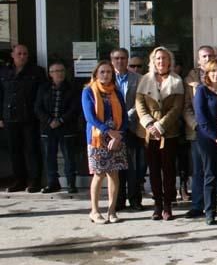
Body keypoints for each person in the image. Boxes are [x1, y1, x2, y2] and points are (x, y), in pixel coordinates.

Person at [135, 46, 185, 221]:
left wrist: (161, 126)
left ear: (169, 61)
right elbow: (140, 105)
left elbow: (177, 108)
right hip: (148, 133)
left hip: (169, 133)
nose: (161, 61)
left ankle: (167, 204)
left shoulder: (177, 80)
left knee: (169, 170)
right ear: (153, 61)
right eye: (158, 59)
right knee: (154, 169)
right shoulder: (144, 80)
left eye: (164, 58)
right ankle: (157, 204)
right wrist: (150, 124)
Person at [82, 60, 128, 224]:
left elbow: (124, 116)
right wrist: (109, 132)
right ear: (96, 74)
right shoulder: (88, 91)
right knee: (99, 174)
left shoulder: (116, 91)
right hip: (98, 137)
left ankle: (112, 211)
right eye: (102, 72)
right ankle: (94, 211)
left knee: (114, 174)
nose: (106, 75)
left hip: (116, 137)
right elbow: (90, 117)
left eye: (109, 72)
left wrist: (119, 134)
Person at [0, 44, 47, 192]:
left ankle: (35, 181)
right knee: (15, 150)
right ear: (12, 55)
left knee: (32, 149)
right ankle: (19, 180)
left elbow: (41, 96)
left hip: (30, 117)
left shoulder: (37, 71)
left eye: (25, 54)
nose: (22, 56)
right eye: (19, 54)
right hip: (10, 117)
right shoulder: (4, 71)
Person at [193, 60, 217, 225]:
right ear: (207, 74)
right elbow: (201, 118)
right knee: (210, 175)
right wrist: (216, 137)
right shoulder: (201, 91)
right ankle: (210, 212)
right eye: (213, 71)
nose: (216, 74)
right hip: (208, 139)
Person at [34, 61, 81, 193]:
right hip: (48, 127)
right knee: (49, 157)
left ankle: (71, 183)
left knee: (69, 157)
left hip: (66, 127)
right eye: (55, 71)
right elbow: (37, 108)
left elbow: (75, 108)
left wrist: (60, 120)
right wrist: (49, 120)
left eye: (61, 71)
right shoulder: (43, 87)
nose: (59, 74)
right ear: (50, 74)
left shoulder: (72, 87)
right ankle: (52, 183)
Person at [183, 46, 215, 218]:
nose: (208, 58)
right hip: (197, 132)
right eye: (204, 56)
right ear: (198, 60)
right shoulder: (189, 80)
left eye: (210, 55)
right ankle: (197, 204)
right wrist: (196, 125)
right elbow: (186, 107)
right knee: (199, 170)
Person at [110, 48, 144, 207]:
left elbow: (141, 102)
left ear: (127, 60)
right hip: (113, 130)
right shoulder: (106, 78)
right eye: (116, 58)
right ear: (112, 61)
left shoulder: (138, 79)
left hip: (132, 127)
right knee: (117, 166)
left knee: (134, 167)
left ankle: (135, 199)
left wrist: (127, 116)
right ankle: (118, 200)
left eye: (123, 58)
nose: (120, 61)